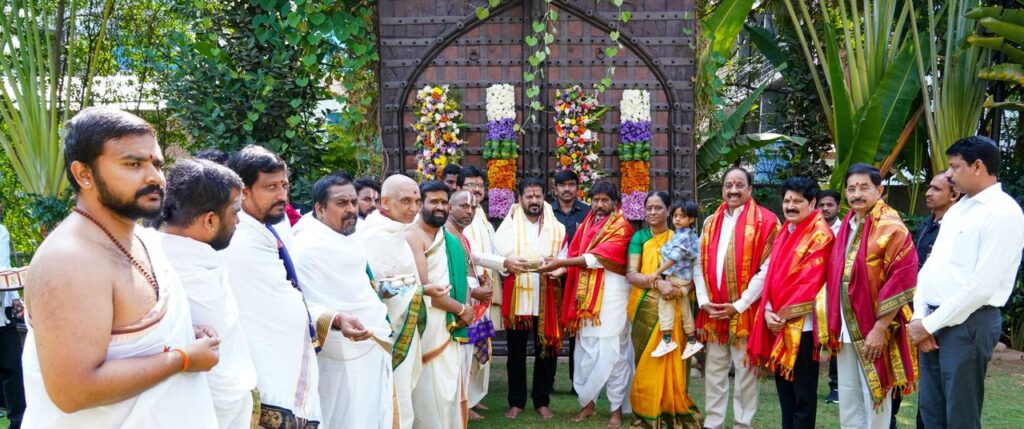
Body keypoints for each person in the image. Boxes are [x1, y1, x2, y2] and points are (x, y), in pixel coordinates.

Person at [21, 107, 219, 427]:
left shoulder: (144, 239)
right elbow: (74, 390)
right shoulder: (69, 261)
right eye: (132, 164)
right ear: (84, 174)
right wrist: (182, 358)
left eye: (156, 163)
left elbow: (129, 338)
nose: (154, 176)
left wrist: (180, 333)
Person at [911, 136, 1024, 429]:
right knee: (931, 411)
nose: (948, 174)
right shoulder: (960, 208)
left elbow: (981, 286)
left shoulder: (1002, 212)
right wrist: (920, 317)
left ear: (978, 166)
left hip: (969, 324)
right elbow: (930, 268)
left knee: (960, 414)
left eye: (954, 167)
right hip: (933, 320)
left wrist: (928, 325)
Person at [222, 145, 322, 428]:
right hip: (266, 384)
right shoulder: (238, 239)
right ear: (243, 191)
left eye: (284, 186)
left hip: (283, 373)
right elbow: (262, 315)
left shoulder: (264, 230)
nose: (282, 195)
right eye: (271, 187)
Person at [159, 159, 258, 429]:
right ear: (210, 220)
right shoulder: (168, 268)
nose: (239, 220)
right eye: (235, 212)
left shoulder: (191, 257)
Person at [291, 173, 394, 429]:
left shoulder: (353, 237)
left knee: (369, 415)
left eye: (352, 202)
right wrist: (336, 320)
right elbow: (301, 304)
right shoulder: (306, 247)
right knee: (342, 418)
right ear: (319, 208)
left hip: (371, 341)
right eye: (341, 203)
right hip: (335, 351)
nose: (350, 209)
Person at [820, 163, 918, 429]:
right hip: (845, 327)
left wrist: (880, 328)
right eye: (851, 188)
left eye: (864, 187)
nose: (856, 194)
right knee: (849, 395)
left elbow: (901, 279)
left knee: (875, 394)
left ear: (879, 190)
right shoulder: (848, 225)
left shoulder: (891, 227)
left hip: (874, 328)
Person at [541, 180, 635, 428]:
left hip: (612, 296)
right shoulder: (586, 225)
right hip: (585, 299)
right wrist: (558, 266)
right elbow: (572, 252)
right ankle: (588, 404)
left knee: (613, 352)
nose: (600, 204)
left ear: (616, 203)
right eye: (596, 199)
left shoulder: (621, 228)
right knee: (585, 352)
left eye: (605, 200)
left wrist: (561, 265)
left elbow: (596, 258)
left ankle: (616, 409)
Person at [693, 167, 778, 429]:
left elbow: (768, 270)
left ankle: (743, 424)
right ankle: (713, 423)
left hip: (746, 312)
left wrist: (739, 305)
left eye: (739, 185)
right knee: (714, 372)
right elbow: (697, 263)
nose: (733, 189)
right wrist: (703, 299)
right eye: (728, 184)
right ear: (722, 189)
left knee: (745, 374)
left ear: (750, 189)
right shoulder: (710, 221)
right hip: (713, 310)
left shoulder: (767, 221)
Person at [747, 177, 834, 429]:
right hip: (777, 323)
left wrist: (779, 315)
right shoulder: (786, 229)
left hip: (803, 329)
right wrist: (767, 311)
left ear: (813, 203)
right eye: (787, 200)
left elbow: (810, 283)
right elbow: (773, 275)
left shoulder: (821, 235)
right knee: (785, 395)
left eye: (797, 201)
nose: (790, 206)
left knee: (803, 398)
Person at [625, 191, 704, 429]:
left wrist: (682, 289)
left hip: (677, 303)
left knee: (674, 363)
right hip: (645, 307)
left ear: (668, 210)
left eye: (657, 208)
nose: (652, 212)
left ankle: (673, 410)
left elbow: (693, 271)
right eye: (648, 208)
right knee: (648, 361)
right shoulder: (639, 237)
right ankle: (646, 413)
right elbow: (631, 274)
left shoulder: (680, 237)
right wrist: (658, 283)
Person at [493, 178, 567, 420]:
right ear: (520, 199)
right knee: (516, 352)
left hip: (546, 293)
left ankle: (542, 401)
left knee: (546, 351)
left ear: (544, 196)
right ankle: (516, 402)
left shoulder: (557, 228)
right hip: (519, 296)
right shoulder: (508, 227)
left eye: (538, 196)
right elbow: (500, 258)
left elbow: (564, 258)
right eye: (529, 196)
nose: (534, 201)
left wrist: (559, 269)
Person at [405, 180, 472, 429]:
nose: (440, 207)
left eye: (444, 202)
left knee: (449, 386)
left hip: (450, 322)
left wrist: (465, 306)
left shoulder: (449, 239)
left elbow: (460, 277)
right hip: (429, 325)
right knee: (429, 388)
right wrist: (463, 310)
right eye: (434, 201)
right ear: (421, 204)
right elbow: (426, 289)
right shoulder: (414, 237)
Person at [445, 190, 497, 422]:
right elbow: (446, 277)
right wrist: (475, 291)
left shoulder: (462, 236)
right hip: (457, 310)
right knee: (458, 363)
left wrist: (478, 287)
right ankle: (457, 410)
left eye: (473, 207)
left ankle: (467, 405)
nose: (469, 211)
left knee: (470, 361)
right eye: (463, 206)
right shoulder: (447, 234)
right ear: (449, 207)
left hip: (473, 308)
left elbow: (469, 264)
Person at [643, 199, 703, 360]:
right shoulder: (685, 234)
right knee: (684, 310)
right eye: (675, 215)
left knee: (665, 303)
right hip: (683, 277)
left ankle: (667, 339)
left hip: (678, 278)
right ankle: (692, 340)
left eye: (682, 216)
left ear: (691, 219)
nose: (677, 219)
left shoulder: (683, 237)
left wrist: (657, 273)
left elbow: (674, 258)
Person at [550, 169, 590, 390]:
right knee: (551, 329)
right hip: (552, 279)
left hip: (578, 278)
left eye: (571, 184)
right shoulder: (547, 212)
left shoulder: (586, 213)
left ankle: (578, 383)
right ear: (555, 189)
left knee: (577, 331)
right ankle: (548, 382)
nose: (567, 189)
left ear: (577, 187)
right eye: (562, 185)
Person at [0, 202, 25, 429]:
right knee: (11, 368)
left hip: (3, 313)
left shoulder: (2, 232)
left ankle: (17, 421)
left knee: (12, 367)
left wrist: (15, 297)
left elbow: (5, 272)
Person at [815, 189, 841, 404]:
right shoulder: (812, 230)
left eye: (829, 205)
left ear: (838, 207)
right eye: (821, 205)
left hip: (836, 293)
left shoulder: (847, 229)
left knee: (835, 339)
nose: (825, 209)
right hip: (813, 292)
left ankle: (836, 387)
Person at [916, 173, 960, 268]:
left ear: (954, 195)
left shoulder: (959, 228)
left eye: (936, 189)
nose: (928, 193)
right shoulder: (925, 224)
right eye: (930, 187)